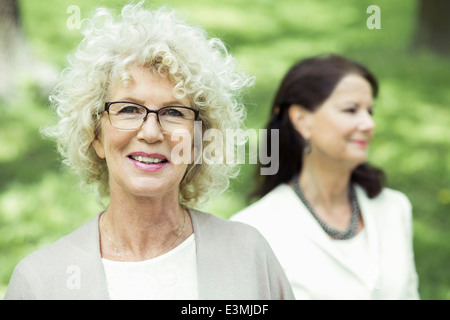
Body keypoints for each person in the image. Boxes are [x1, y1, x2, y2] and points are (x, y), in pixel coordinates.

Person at [5, 3, 294, 300]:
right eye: (129, 109)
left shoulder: (248, 257)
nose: (152, 132)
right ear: (94, 135)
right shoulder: (41, 283)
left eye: (173, 112)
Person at [232, 54, 420, 300]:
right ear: (301, 120)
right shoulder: (254, 230)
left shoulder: (394, 208)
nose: (368, 123)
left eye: (369, 111)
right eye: (351, 110)